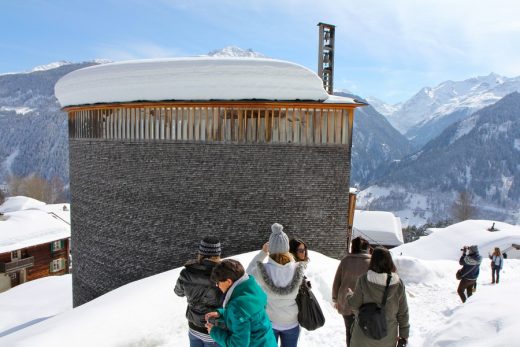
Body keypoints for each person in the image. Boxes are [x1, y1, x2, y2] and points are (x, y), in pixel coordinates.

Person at [247, 223, 306, 347]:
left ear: (270, 248)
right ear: (287, 248)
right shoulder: (298, 268)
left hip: (270, 321)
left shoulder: (263, 270)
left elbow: (247, 273)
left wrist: (263, 253)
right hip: (291, 322)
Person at [205, 259, 277, 347]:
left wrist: (214, 332)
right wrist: (222, 314)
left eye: (218, 282)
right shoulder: (253, 288)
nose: (217, 286)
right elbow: (249, 316)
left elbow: (238, 344)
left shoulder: (237, 305)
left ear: (228, 282)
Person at [346, 246, 409, 347]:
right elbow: (403, 313)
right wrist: (404, 336)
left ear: (372, 261)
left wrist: (349, 295)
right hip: (387, 339)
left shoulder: (364, 279)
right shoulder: (398, 284)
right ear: (390, 262)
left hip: (363, 336)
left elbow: (354, 304)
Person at [175, 236, 225, 347]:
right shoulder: (224, 274)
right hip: (214, 330)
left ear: (201, 252)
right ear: (217, 253)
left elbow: (178, 292)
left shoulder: (187, 272)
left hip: (193, 328)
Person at [332, 237, 371, 346]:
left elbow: (337, 281)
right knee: (364, 334)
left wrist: (335, 299)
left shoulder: (345, 261)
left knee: (349, 332)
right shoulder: (371, 263)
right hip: (365, 305)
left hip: (346, 303)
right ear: (367, 248)